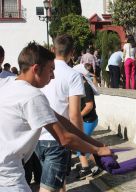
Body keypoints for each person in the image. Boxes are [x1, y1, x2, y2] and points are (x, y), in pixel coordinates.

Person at [0, 42, 111, 191]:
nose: (52, 76)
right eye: (51, 70)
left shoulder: (7, 83)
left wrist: (96, 143)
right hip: (8, 178)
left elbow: (62, 121)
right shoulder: (32, 95)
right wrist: (97, 151)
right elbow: (64, 138)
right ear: (36, 69)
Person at [35, 34, 89, 192]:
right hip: (59, 138)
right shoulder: (73, 75)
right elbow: (74, 114)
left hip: (37, 136)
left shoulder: (41, 70)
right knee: (51, 188)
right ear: (72, 52)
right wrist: (80, 140)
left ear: (53, 49)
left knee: (58, 185)